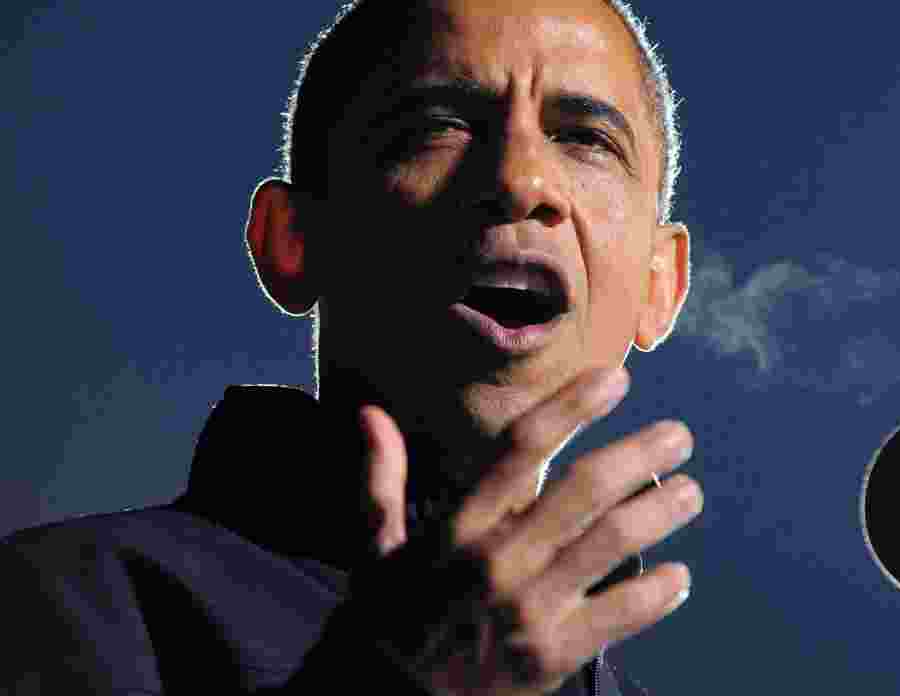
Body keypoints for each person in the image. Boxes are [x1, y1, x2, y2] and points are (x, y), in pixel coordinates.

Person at [0, 0, 701, 693]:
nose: (520, 182)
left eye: (585, 139)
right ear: (291, 241)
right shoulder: (60, 601)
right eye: (438, 127)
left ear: (659, 285)